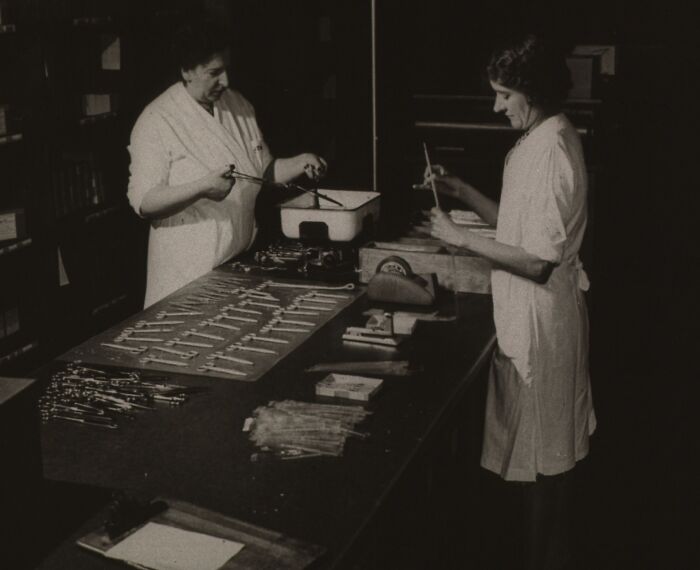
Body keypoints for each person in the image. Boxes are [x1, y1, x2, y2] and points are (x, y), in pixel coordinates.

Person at [424, 35, 595, 569]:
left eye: (503, 95)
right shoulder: (538, 137)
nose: (497, 106)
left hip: (544, 325)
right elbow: (517, 224)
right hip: (527, 322)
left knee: (547, 468)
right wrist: (460, 191)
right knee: (536, 461)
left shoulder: (553, 150)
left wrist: (458, 237)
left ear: (532, 91)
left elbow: (538, 261)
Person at [127, 19, 327, 307]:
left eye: (227, 70)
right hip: (185, 275)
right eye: (214, 73)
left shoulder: (238, 106)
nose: (226, 82)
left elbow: (260, 171)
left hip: (236, 263)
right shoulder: (156, 120)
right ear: (187, 71)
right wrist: (202, 188)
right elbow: (145, 202)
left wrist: (300, 162)